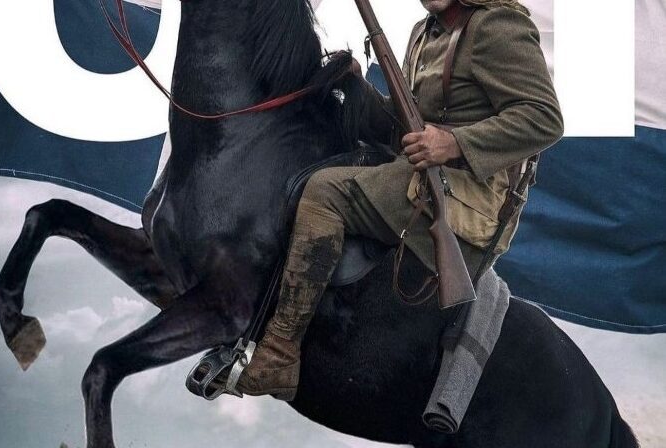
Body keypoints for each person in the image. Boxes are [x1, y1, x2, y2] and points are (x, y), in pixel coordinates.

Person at [231, 0, 564, 400]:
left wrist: (453, 143)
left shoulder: (497, 25)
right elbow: (401, 130)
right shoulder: (424, 33)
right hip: (419, 177)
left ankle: (280, 354)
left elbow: (544, 118)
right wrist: (356, 88)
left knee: (325, 192)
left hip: (466, 199)